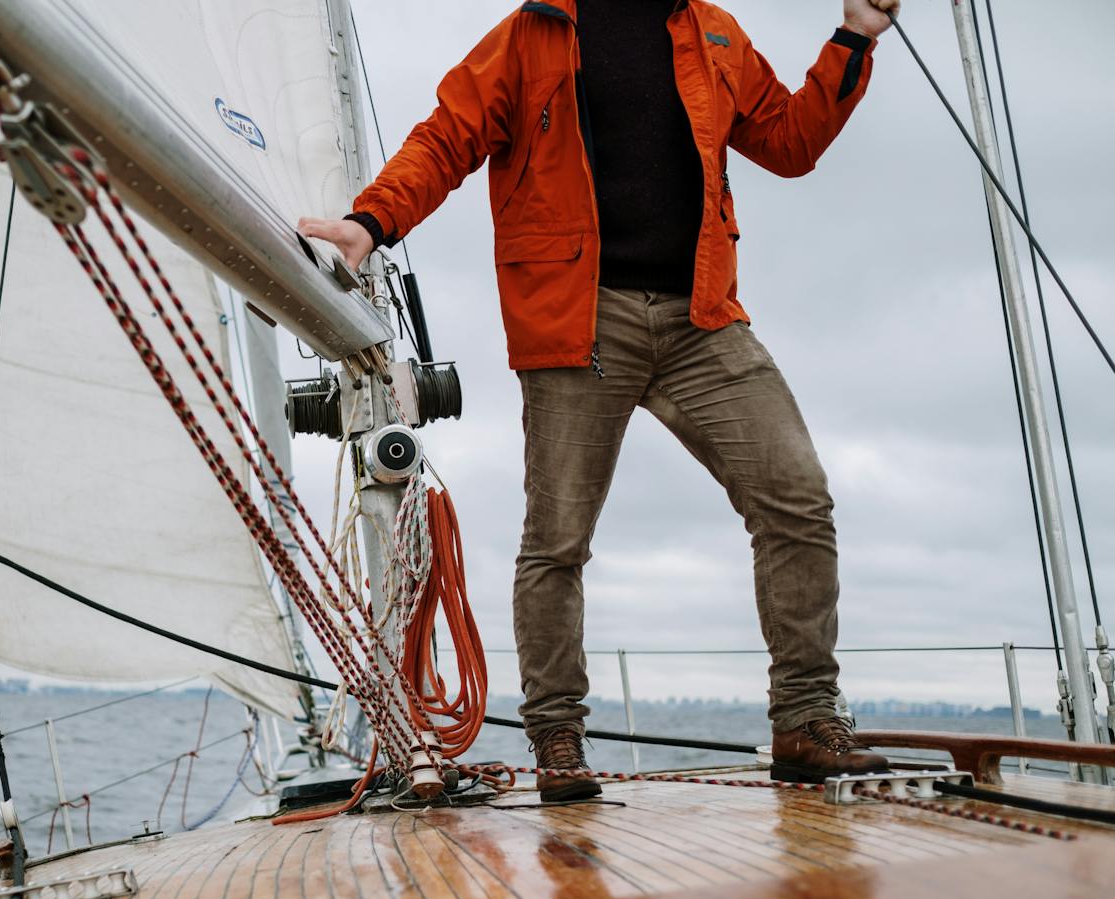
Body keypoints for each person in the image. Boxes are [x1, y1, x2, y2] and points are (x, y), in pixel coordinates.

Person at [299, 0, 898, 800]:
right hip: (579, 319)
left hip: (703, 317)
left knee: (796, 496)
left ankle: (804, 718)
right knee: (558, 541)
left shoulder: (712, 31)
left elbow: (789, 142)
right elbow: (447, 135)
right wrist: (370, 221)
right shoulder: (533, 32)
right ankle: (556, 735)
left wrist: (853, 35)